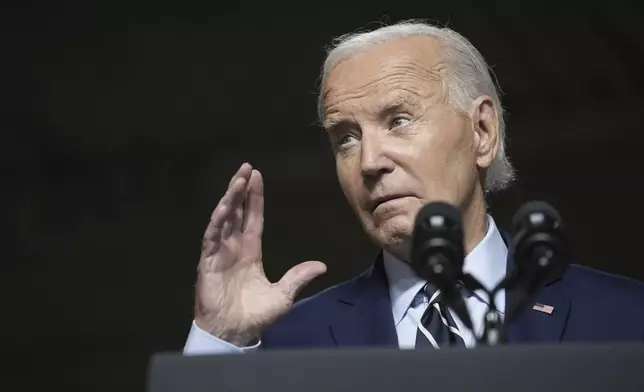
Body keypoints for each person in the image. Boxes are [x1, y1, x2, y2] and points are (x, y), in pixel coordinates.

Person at [183, 21, 644, 355]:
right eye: (346, 137)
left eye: (398, 121)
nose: (369, 162)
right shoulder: (287, 344)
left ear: (482, 132)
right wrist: (220, 339)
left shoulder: (625, 319)